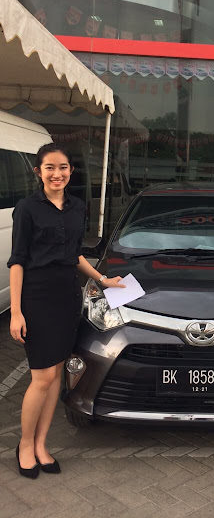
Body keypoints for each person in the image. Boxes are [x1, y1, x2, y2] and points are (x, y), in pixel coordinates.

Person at [8, 144, 125, 479]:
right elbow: (17, 262)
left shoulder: (77, 208)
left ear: (70, 172)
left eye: (62, 168)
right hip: (36, 298)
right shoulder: (27, 209)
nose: (56, 174)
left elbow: (74, 255)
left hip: (67, 297)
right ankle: (25, 445)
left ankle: (41, 444)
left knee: (57, 375)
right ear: (38, 172)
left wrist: (102, 279)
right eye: (49, 168)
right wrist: (16, 312)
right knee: (42, 377)